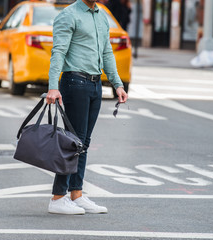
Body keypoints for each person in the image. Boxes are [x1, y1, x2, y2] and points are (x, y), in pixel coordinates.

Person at [46, 0, 128, 215]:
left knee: (84, 142)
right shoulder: (69, 15)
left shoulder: (101, 16)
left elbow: (107, 52)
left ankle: (76, 194)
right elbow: (58, 51)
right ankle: (57, 198)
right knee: (73, 143)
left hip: (95, 84)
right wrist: (53, 87)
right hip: (74, 82)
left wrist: (117, 83)